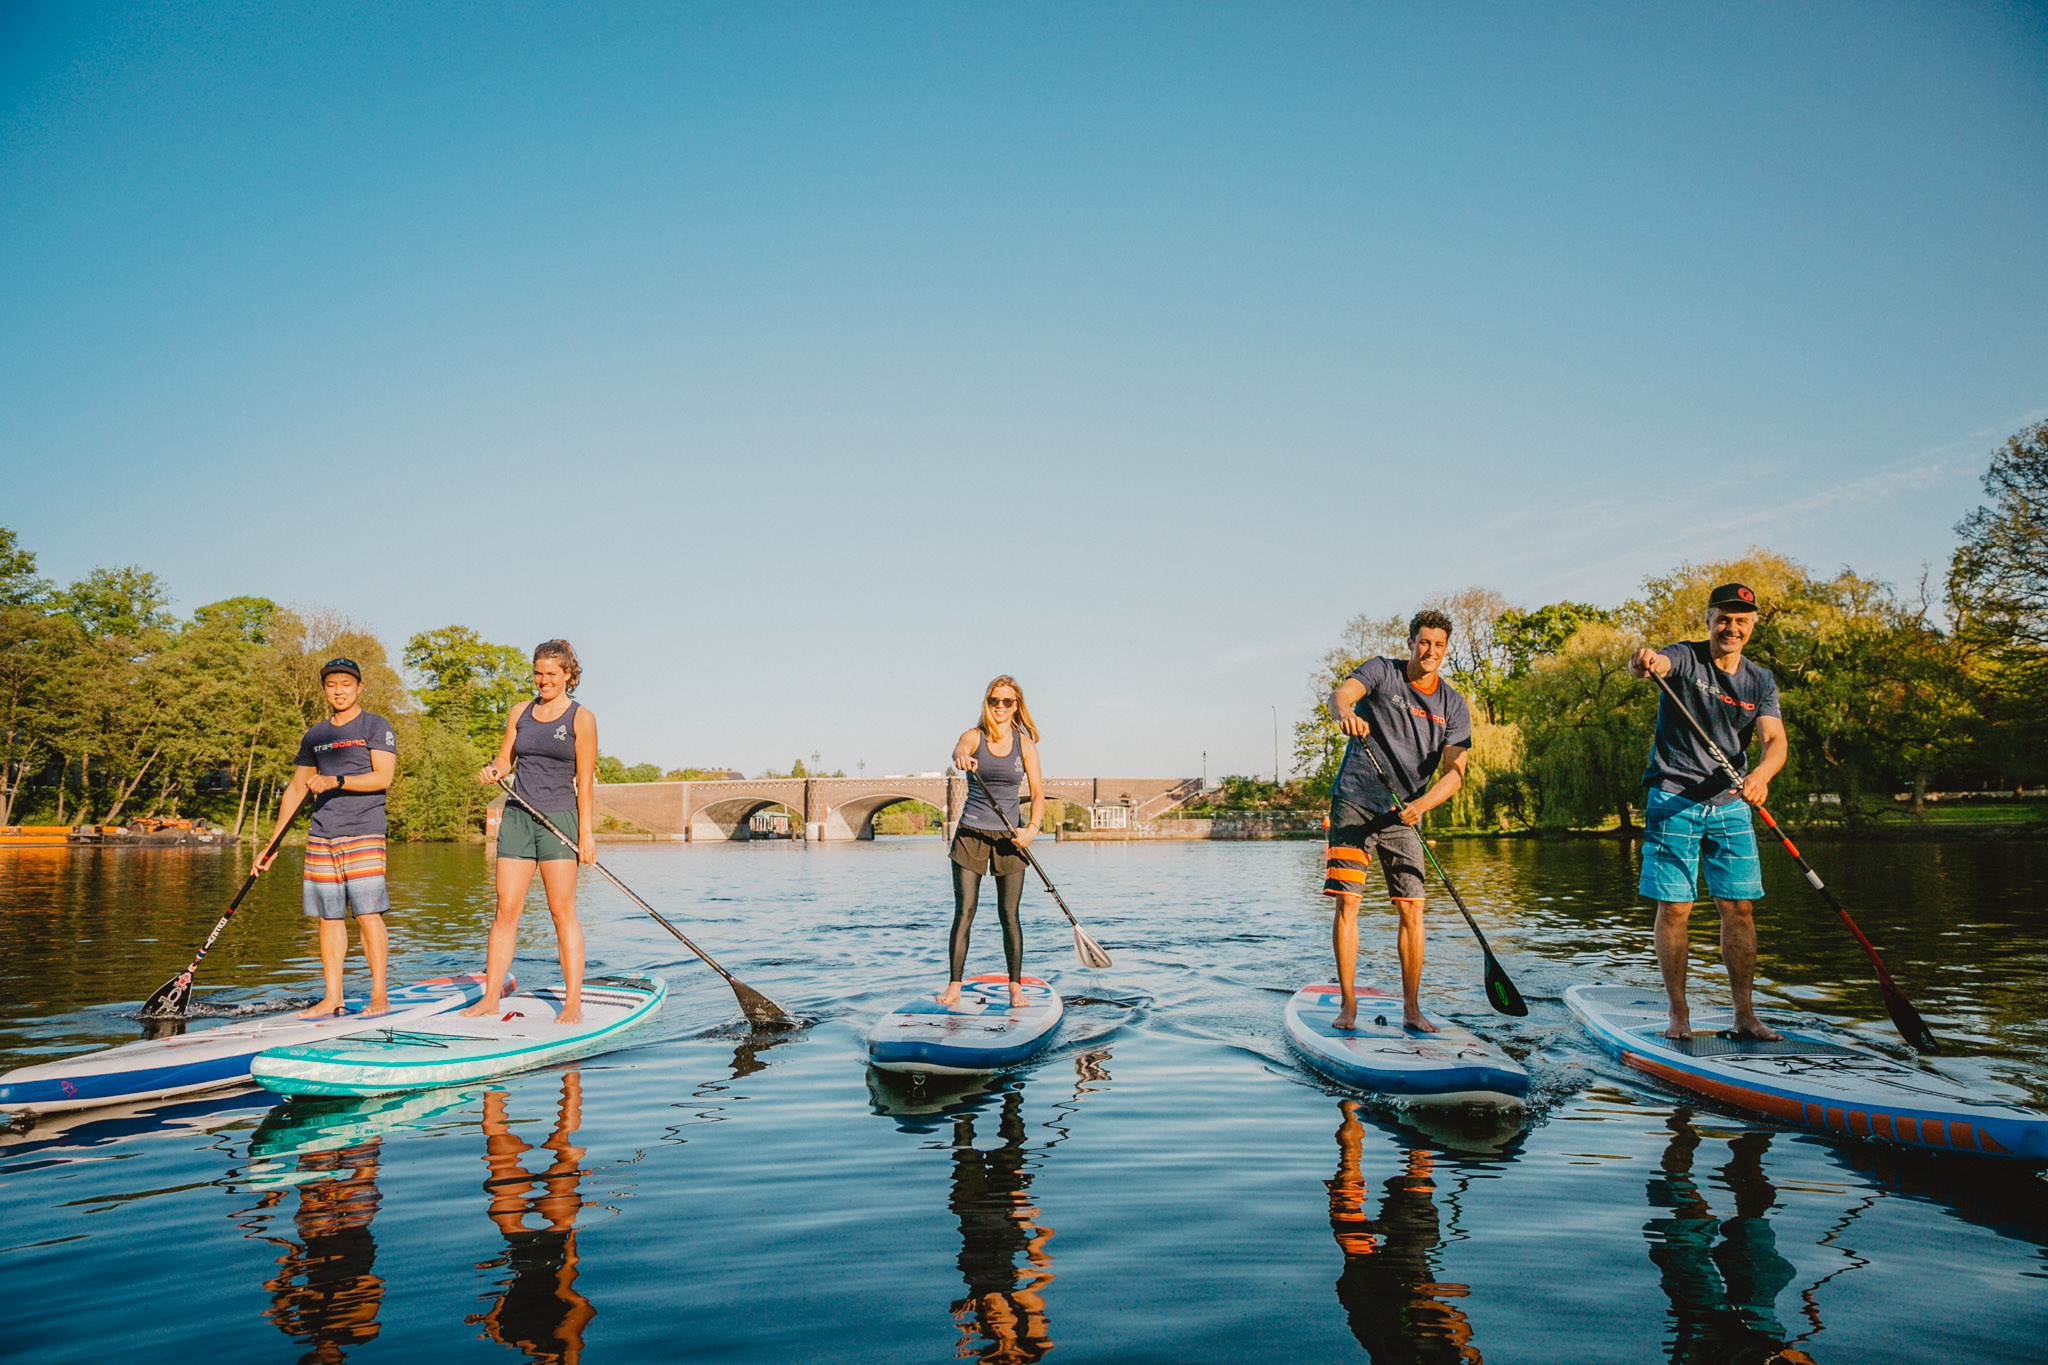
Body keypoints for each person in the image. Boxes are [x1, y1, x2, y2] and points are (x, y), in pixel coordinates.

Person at [1629, 582, 1788, 1041]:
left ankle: (1744, 1015)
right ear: (1708, 619)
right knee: (1676, 908)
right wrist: (1647, 661)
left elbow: (1775, 742)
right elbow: (1654, 664)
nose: (1731, 627)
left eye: (1741, 620)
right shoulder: (1685, 656)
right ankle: (1679, 1016)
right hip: (1673, 798)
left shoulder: (1760, 680)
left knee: (1739, 908)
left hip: (1731, 803)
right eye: (1724, 618)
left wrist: (1760, 777)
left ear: (1752, 626)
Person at [1323, 611, 1472, 1032]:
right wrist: (1345, 712)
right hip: (1355, 800)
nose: (1431, 651)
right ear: (1411, 642)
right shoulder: (1382, 672)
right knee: (1348, 900)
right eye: (1424, 642)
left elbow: (1455, 774)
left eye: (1439, 645)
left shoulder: (1453, 706)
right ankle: (1348, 1006)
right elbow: (1340, 695)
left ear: (1446, 650)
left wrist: (1423, 805)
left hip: (1405, 812)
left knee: (1413, 909)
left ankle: (1412, 1009)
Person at [255, 657, 398, 1019]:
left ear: (359, 688)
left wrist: (336, 781)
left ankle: (378, 995)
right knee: (328, 918)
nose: (339, 691)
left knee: (367, 914)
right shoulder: (316, 735)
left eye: (346, 684)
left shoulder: (375, 726)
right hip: (322, 834)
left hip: (364, 831)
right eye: (332, 685)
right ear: (324, 690)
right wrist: (271, 845)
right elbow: (295, 790)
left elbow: (383, 778)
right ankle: (332, 997)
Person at [466, 640, 598, 1025]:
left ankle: (572, 1002)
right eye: (538, 673)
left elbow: (585, 783)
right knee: (505, 909)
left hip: (560, 819)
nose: (543, 680)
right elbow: (505, 758)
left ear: (568, 676)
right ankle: (491, 998)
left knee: (561, 911)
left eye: (552, 674)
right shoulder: (519, 712)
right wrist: (494, 770)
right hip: (518, 817)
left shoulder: (581, 718)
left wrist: (586, 835)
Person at [939, 675, 1045, 1009]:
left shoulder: (1024, 744)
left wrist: (1032, 828)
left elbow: (1038, 793)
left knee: (1009, 915)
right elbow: (960, 749)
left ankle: (1015, 986)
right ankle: (955, 986)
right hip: (971, 834)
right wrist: (961, 757)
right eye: (994, 701)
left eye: (1007, 702)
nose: (1000, 707)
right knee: (965, 912)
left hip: (1009, 838)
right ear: (987, 703)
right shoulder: (975, 736)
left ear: (1017, 705)